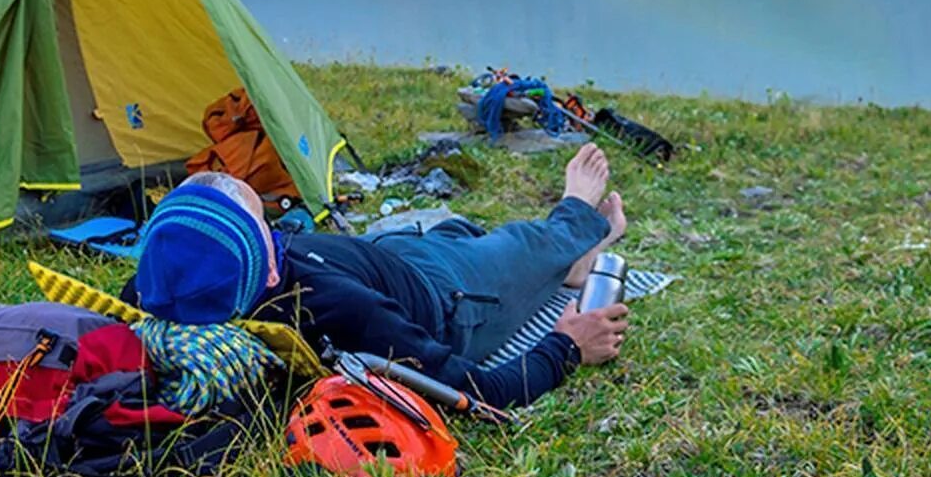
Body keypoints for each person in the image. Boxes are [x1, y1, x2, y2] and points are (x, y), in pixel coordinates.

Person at [125, 144, 631, 410]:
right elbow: (481, 392)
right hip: (449, 296)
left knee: (458, 230)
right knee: (520, 247)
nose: (279, 232)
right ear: (268, 265)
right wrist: (567, 346)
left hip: (382, 255)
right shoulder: (336, 310)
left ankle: (570, 264)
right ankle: (576, 220)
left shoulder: (155, 291)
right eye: (267, 228)